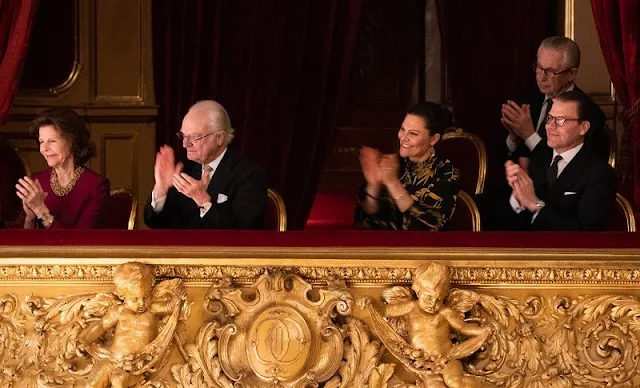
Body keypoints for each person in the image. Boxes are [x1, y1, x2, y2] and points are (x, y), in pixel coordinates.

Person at [502, 90, 616, 230]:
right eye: (549, 118)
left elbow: (586, 234)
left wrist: (535, 205)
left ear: (583, 127)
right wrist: (518, 197)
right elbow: (518, 223)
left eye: (561, 120)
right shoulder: (538, 159)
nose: (550, 126)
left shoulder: (600, 174)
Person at [144, 100, 268, 229]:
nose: (185, 144)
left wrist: (203, 200)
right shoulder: (184, 168)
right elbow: (156, 223)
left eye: (194, 137)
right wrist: (160, 190)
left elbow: (242, 229)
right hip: (183, 248)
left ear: (219, 138)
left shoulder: (250, 174)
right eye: (183, 136)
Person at [354, 102, 460, 231]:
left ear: (433, 139)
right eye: (402, 129)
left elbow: (429, 228)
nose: (403, 138)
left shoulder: (446, 173)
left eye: (413, 134)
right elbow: (364, 223)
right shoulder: (393, 164)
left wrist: (393, 184)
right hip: (382, 247)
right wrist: (373, 186)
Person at [501, 36, 608, 162]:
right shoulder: (528, 101)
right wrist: (515, 137)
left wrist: (529, 135)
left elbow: (570, 167)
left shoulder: (590, 114)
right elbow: (511, 158)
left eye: (550, 72)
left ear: (571, 74)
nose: (541, 78)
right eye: (539, 68)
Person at [15, 108, 110, 229]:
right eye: (41, 141)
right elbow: (22, 242)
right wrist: (30, 218)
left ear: (72, 141)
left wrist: (42, 212)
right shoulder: (37, 181)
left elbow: (80, 243)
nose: (44, 149)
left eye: (52, 141)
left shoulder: (96, 186)